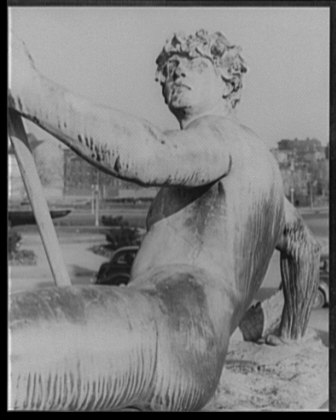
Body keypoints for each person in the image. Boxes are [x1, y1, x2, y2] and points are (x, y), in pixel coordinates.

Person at [8, 29, 320, 411]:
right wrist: (288, 334)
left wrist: (29, 88)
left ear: (228, 82)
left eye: (197, 64)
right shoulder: (261, 168)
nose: (178, 73)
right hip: (182, 343)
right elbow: (306, 250)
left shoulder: (221, 136)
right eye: (171, 67)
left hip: (165, 325)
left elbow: (146, 153)